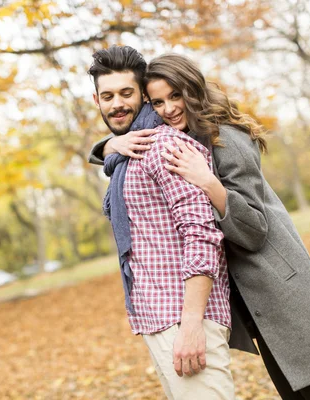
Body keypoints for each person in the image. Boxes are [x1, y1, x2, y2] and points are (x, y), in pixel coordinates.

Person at [89, 52, 310, 400]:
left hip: (278, 287)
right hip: (245, 296)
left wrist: (210, 183)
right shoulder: (178, 138)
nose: (167, 110)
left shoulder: (226, 139)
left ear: (192, 92)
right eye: (158, 102)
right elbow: (127, 139)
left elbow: (254, 229)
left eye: (175, 96)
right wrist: (108, 145)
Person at [87, 45, 235, 399]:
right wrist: (109, 147)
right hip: (157, 318)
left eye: (126, 93)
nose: (117, 104)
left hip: (184, 318)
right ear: (96, 100)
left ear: (143, 93)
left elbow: (200, 232)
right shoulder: (125, 154)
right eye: (108, 96)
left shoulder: (164, 145)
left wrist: (191, 324)